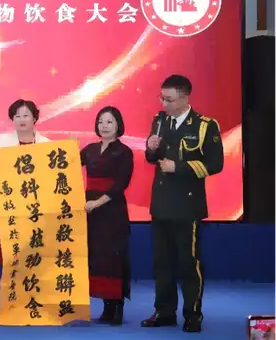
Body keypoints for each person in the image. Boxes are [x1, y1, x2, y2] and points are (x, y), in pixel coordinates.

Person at [141, 75, 223, 333]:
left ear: (185, 98)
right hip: (161, 203)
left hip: (187, 205)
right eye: (162, 98)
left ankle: (192, 314)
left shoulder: (204, 125)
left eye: (169, 99)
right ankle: (164, 311)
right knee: (162, 262)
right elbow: (151, 158)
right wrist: (151, 148)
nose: (164, 103)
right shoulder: (159, 120)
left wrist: (179, 167)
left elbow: (215, 164)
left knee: (188, 262)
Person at [79, 106, 133, 325]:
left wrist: (98, 202)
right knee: (97, 257)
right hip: (90, 212)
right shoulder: (90, 149)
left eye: (109, 122)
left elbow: (121, 184)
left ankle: (117, 305)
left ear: (118, 125)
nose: (104, 126)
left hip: (112, 211)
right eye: (101, 121)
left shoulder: (124, 151)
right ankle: (106, 306)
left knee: (113, 258)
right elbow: (66, 166)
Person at [0, 99, 49, 267]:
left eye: (26, 115)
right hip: (11, 210)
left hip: (37, 211)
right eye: (17, 116)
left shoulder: (47, 145)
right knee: (11, 264)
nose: (21, 119)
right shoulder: (2, 145)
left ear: (34, 118)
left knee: (36, 262)